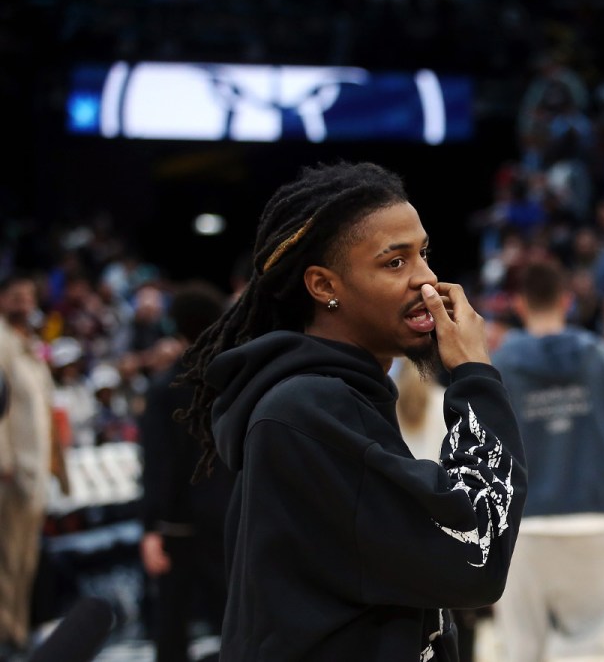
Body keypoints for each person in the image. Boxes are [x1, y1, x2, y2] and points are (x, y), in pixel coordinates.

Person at [177, 162, 527, 661]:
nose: (427, 280)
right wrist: (474, 374)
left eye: (423, 254)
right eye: (395, 263)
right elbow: (475, 553)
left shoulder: (331, 396)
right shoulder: (310, 410)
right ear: (324, 287)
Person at [490, 261, 604, 662]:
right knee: (591, 648)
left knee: (521, 648)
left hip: (524, 527)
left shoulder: (501, 364)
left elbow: (490, 448)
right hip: (594, 519)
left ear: (519, 304)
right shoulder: (600, 357)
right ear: (568, 301)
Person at [140, 282, 234, 662]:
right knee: (235, 621)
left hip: (179, 523)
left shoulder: (165, 389)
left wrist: (149, 527)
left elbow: (158, 464)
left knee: (173, 625)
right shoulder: (237, 379)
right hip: (230, 513)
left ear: (175, 325)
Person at [0, 276, 61, 657]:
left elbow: (45, 413)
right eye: (16, 295)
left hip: (34, 469)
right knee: (5, 558)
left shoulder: (32, 347)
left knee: (25, 559)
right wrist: (2, 459)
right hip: (10, 469)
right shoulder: (2, 343)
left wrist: (57, 464)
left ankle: (18, 632)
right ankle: (5, 635)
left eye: (29, 295)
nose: (24, 301)